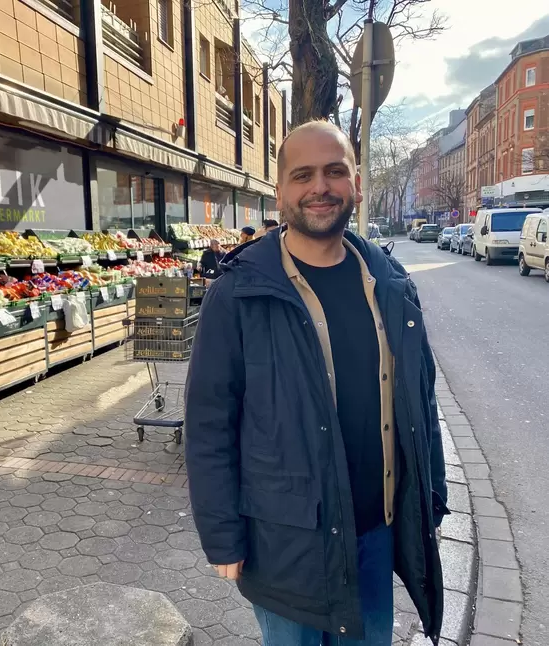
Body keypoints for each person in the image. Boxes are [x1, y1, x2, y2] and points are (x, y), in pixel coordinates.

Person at [185, 120, 448, 646]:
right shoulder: (239, 294)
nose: (319, 187)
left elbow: (420, 397)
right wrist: (222, 537)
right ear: (280, 191)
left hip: (377, 532)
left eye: (334, 171)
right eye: (302, 174)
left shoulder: (391, 284)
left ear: (355, 183)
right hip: (285, 543)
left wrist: (431, 496)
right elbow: (210, 426)